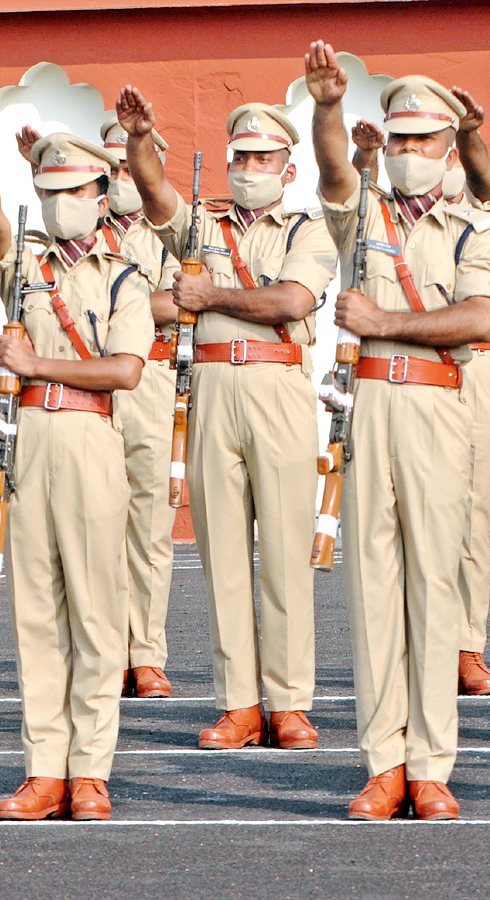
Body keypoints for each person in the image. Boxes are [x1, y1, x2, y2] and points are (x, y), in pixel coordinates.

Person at [119, 85, 337, 752]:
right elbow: (157, 201)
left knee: (283, 559)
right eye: (239, 156)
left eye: (263, 157)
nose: (248, 167)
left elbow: (293, 297)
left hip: (278, 386)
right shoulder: (203, 223)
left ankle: (291, 702)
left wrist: (212, 294)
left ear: (287, 168)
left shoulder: (310, 228)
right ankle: (238, 702)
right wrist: (137, 142)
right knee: (221, 558)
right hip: (211, 388)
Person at [306, 42, 490, 820]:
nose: (410, 151)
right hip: (371, 411)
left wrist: (387, 321)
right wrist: (324, 110)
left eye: (423, 138)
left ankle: (432, 767)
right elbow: (334, 174)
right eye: (400, 137)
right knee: (373, 589)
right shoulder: (365, 213)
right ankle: (384, 764)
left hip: (437, 408)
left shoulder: (471, 224)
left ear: (449, 144)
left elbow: (480, 316)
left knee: (433, 588)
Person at [0, 116, 153, 820]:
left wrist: (38, 362)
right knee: (36, 613)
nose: (57, 203)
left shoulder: (125, 278)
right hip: (31, 437)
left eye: (71, 189)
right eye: (46, 191)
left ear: (101, 195)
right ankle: (45, 766)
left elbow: (126, 370)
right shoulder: (26, 267)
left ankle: (91, 770)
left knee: (97, 613)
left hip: (91, 433)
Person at [98, 115, 181, 699]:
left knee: (149, 526)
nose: (119, 178)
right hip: (89, 378)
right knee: (93, 524)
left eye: (129, 167)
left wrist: (110, 303)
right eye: (111, 168)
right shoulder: (75, 230)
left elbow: (179, 302)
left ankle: (146, 652)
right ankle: (105, 649)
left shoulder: (172, 230)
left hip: (150, 376)